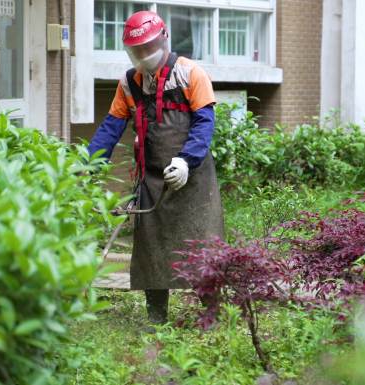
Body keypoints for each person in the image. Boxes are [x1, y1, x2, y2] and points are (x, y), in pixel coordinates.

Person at [87, 10, 224, 325]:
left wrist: (186, 160)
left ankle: (212, 315)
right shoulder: (129, 83)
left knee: (200, 243)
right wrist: (87, 166)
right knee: (152, 248)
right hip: (151, 178)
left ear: (164, 40)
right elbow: (110, 129)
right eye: (137, 51)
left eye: (148, 48)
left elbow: (204, 124)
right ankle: (156, 317)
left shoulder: (191, 74)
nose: (144, 56)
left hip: (194, 177)